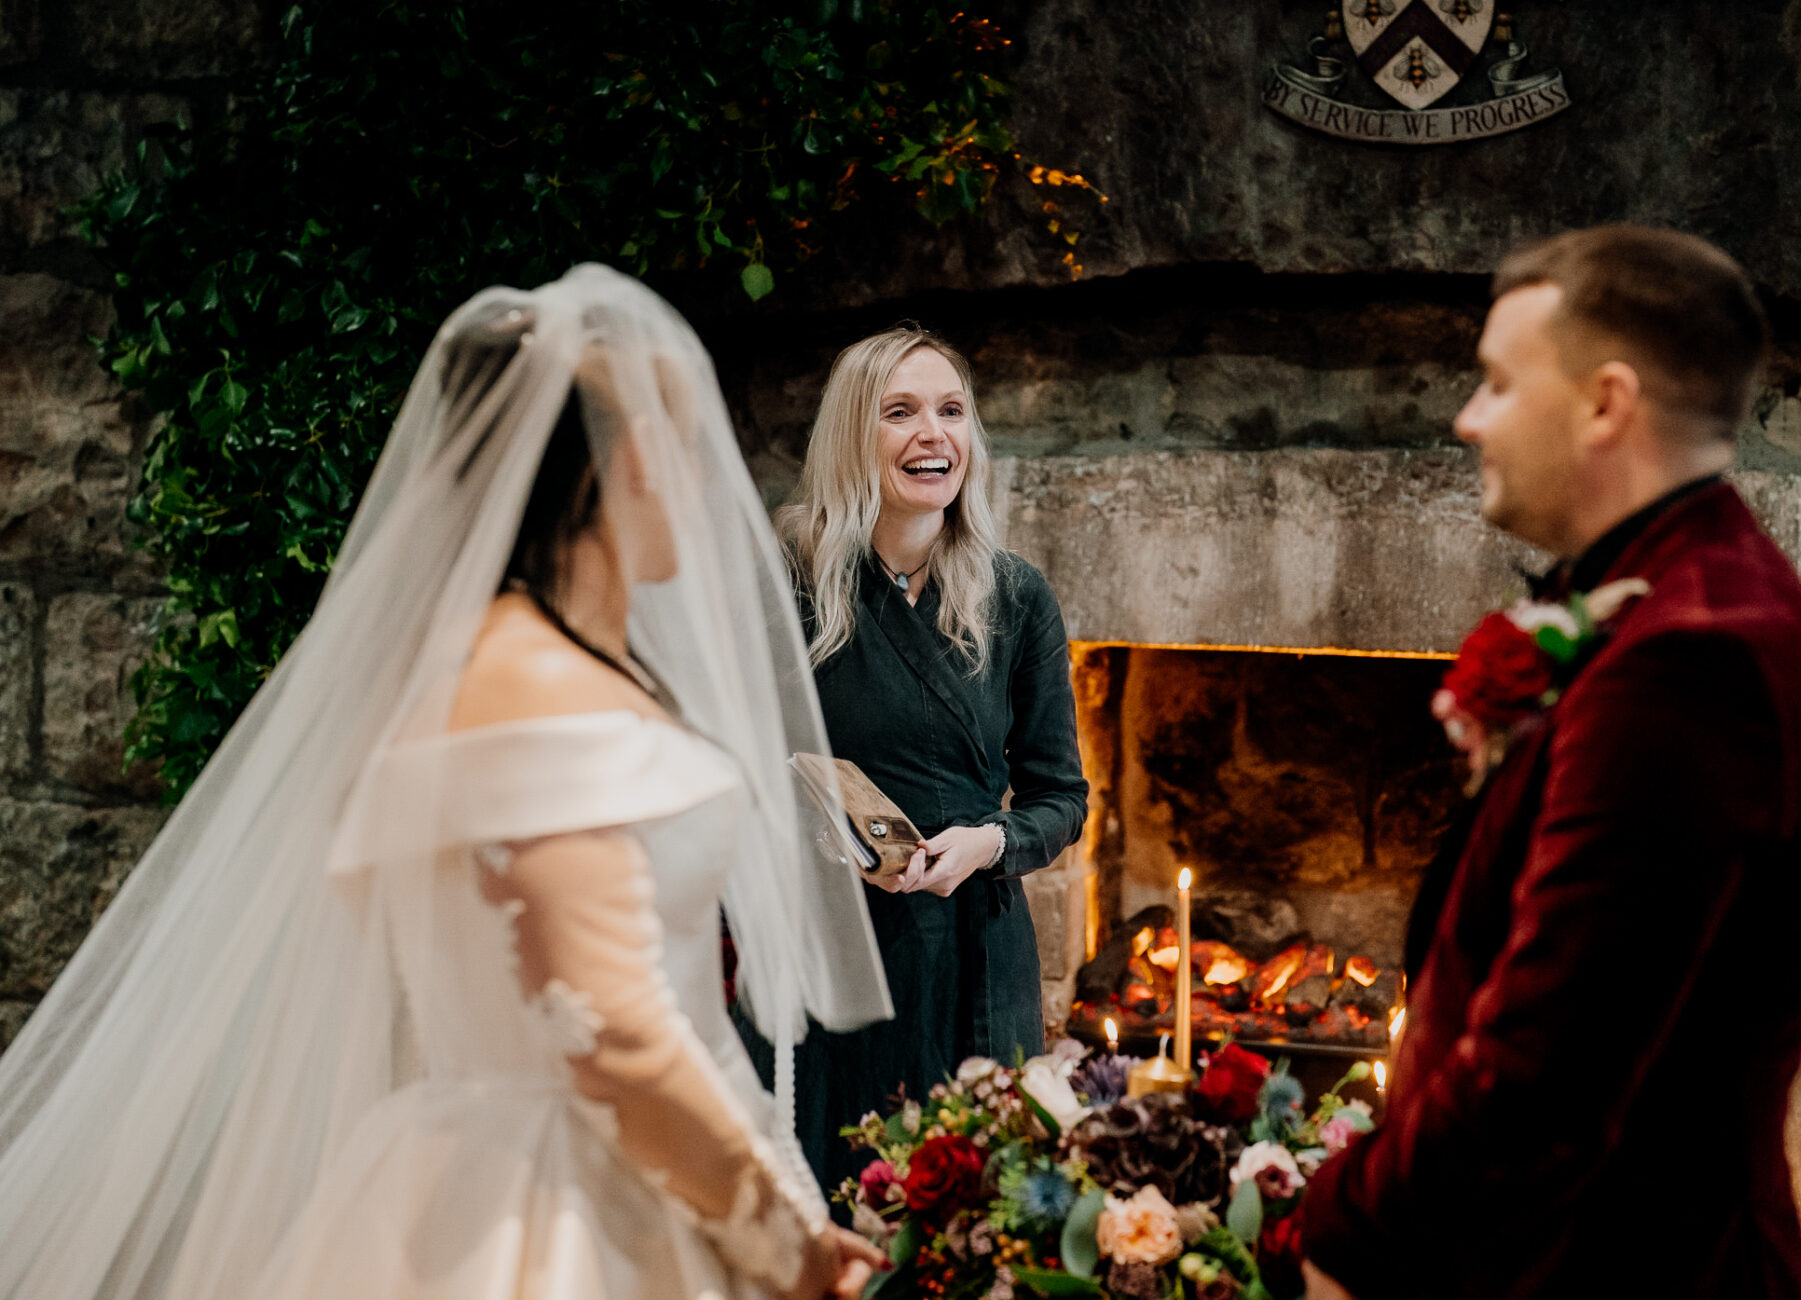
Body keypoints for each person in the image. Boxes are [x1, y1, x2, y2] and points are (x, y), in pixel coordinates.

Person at [0, 265, 893, 1299]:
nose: (706, 481)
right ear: (634, 458)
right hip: (556, 1205)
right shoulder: (529, 688)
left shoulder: (513, 668)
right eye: (687, 441)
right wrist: (785, 1245)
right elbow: (613, 1026)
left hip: (548, 1164)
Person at [1299, 227, 1801, 1299]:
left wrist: (1343, 1235)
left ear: (1606, 402)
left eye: (1499, 382)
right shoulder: (1673, 596)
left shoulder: (1695, 658)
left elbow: (1548, 1070)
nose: (1468, 417)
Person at [772, 325, 1089, 1189]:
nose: (933, 434)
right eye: (900, 412)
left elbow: (1062, 797)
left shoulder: (1016, 594)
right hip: (834, 951)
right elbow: (735, 767)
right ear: (851, 436)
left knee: (966, 1221)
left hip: (977, 956)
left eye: (952, 411)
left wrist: (990, 843)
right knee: (837, 1208)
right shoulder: (787, 584)